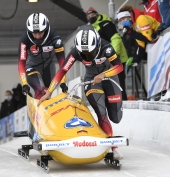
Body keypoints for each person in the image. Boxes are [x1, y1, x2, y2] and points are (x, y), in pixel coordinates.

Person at [38, 25, 124, 160]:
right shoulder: (75, 53)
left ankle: (107, 133)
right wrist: (49, 92)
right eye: (84, 54)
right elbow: (62, 71)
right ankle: (114, 147)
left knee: (116, 117)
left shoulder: (107, 48)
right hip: (91, 81)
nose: (87, 57)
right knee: (101, 112)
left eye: (90, 53)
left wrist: (103, 74)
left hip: (110, 78)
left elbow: (119, 67)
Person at [18, 13, 67, 100]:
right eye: (34, 33)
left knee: (47, 94)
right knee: (40, 88)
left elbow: (62, 62)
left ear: (46, 29)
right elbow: (21, 62)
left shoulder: (55, 38)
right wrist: (24, 83)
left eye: (40, 32)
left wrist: (63, 82)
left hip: (49, 68)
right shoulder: (24, 39)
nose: (37, 36)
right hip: (32, 67)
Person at [85, 7, 128, 100]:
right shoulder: (93, 28)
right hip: (105, 60)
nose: (90, 17)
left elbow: (116, 39)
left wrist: (113, 54)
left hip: (115, 58)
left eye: (92, 15)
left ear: (97, 15)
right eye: (88, 16)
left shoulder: (105, 24)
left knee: (118, 83)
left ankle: (123, 103)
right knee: (108, 84)